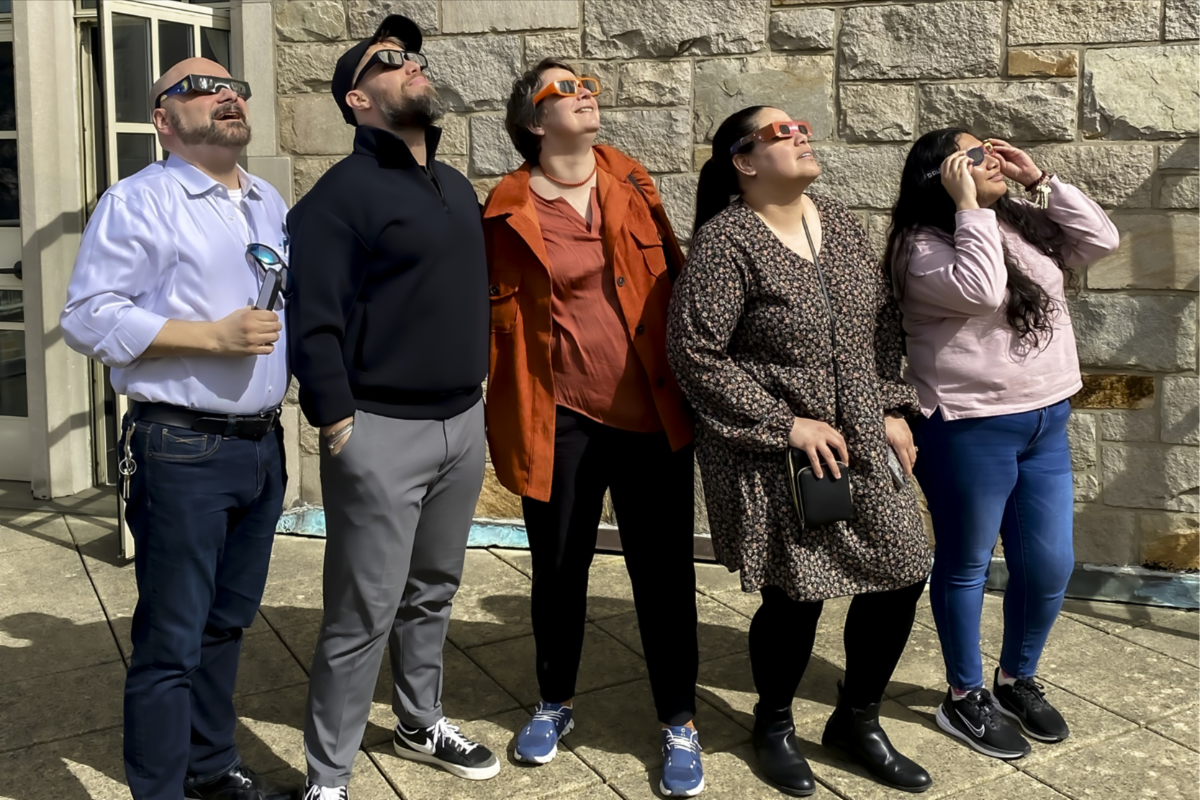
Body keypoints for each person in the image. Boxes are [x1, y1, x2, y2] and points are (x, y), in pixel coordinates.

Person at [666, 106, 934, 797]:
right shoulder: (727, 243)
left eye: (801, 126)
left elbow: (881, 320)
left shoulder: (837, 220)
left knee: (904, 566)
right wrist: (786, 424)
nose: (800, 135)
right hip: (778, 452)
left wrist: (892, 405)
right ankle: (775, 724)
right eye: (780, 133)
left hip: (862, 436)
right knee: (798, 592)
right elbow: (695, 354)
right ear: (744, 162)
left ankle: (857, 718)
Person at [61, 57, 296, 800]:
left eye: (232, 87)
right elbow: (87, 315)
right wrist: (209, 338)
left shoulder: (268, 201)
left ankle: (210, 766)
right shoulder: (139, 201)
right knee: (171, 641)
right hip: (183, 447)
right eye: (197, 88)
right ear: (163, 120)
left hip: (262, 444)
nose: (224, 95)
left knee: (226, 624)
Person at [286, 15, 499, 799]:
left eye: (414, 56)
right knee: (360, 613)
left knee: (434, 589)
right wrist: (337, 419)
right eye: (388, 60)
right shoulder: (339, 196)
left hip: (459, 425)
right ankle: (328, 779)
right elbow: (313, 315)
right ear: (357, 98)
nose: (411, 65)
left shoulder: (452, 185)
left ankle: (418, 723)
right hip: (378, 432)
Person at [482, 59, 703, 796]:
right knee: (557, 570)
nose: (582, 96)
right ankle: (554, 702)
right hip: (561, 421)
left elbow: (675, 283)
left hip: (652, 419)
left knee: (665, 575)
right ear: (533, 120)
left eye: (587, 88)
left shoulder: (633, 182)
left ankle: (679, 721)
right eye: (563, 91)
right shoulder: (504, 208)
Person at [884, 129, 1119, 759]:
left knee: (1048, 564)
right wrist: (967, 207)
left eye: (991, 149)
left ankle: (1015, 678)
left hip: (1046, 416)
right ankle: (963, 698)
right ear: (942, 174)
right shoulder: (920, 247)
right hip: (969, 425)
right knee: (965, 564)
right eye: (975, 155)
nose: (991, 160)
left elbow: (1101, 241)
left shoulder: (1012, 218)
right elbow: (982, 291)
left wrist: (1037, 181)